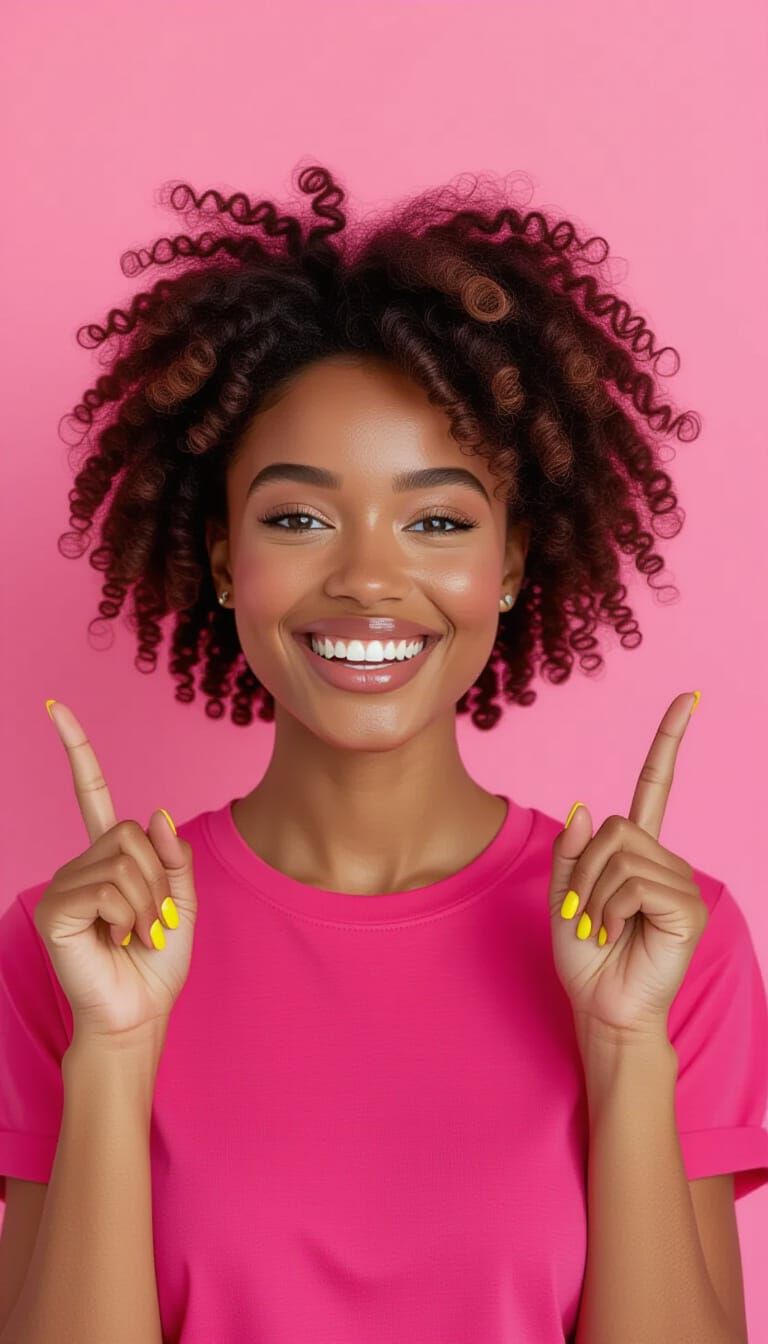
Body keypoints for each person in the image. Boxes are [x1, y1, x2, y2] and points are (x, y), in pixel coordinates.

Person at [1, 163, 766, 1344]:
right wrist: (111, 1052)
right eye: (299, 517)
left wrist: (625, 1048)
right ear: (220, 558)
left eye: (439, 520)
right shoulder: (76, 944)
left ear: (512, 563)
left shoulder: (665, 942)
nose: (366, 576)